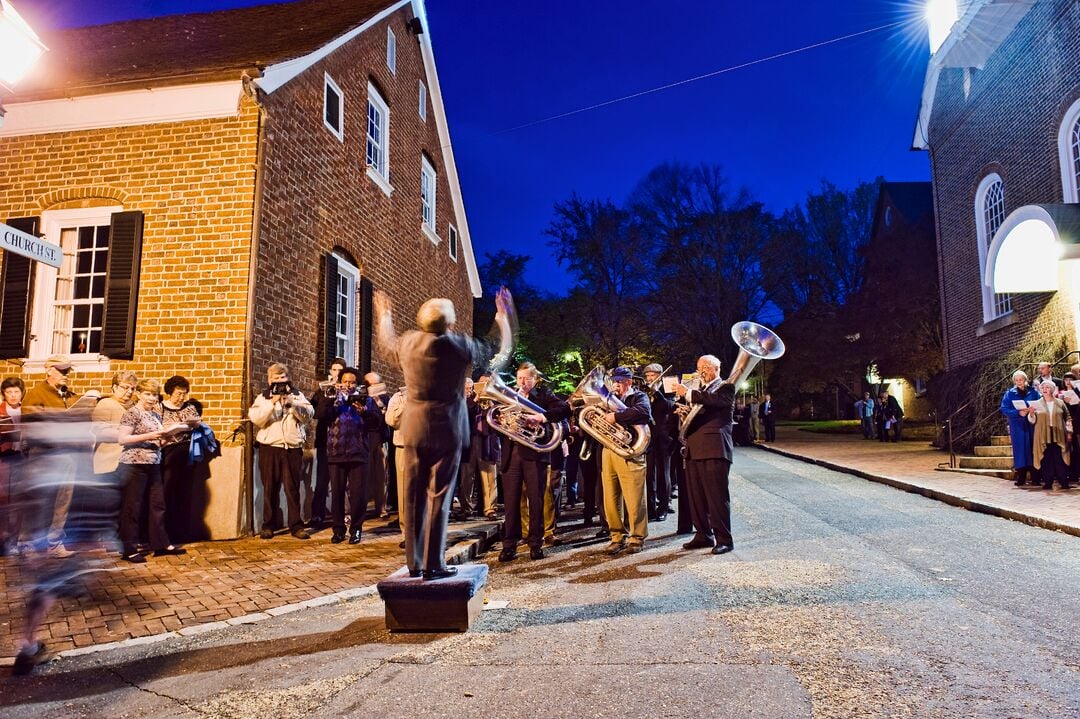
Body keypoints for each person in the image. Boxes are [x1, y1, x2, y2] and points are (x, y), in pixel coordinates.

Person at [374, 287, 513, 580]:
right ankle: (434, 563)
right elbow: (495, 347)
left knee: (412, 498)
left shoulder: (409, 343)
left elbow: (386, 344)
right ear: (449, 324)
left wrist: (384, 314)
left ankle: (414, 563)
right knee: (439, 497)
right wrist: (502, 314)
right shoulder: (460, 345)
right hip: (448, 429)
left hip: (414, 428)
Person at [496, 361, 570, 562]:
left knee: (536, 500)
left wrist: (541, 417)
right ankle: (509, 545)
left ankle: (535, 544)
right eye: (519, 378)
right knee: (510, 503)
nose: (521, 382)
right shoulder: (510, 395)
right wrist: (504, 422)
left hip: (535, 455)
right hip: (511, 455)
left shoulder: (543, 395)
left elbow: (565, 409)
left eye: (526, 379)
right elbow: (493, 424)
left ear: (534, 379)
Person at [118, 378, 186, 562]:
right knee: (132, 506)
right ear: (139, 394)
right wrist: (150, 435)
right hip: (134, 464)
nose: (151, 398)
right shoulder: (132, 413)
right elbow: (122, 439)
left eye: (154, 394)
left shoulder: (155, 416)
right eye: (147, 394)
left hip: (153, 462)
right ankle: (129, 548)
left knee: (157, 504)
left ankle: (160, 543)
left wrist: (168, 438)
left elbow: (158, 442)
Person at [674, 355, 736, 555]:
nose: (701, 371)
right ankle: (703, 534)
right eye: (699, 367)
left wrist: (688, 393)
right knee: (697, 497)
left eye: (705, 367)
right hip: (695, 449)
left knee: (716, 498)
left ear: (716, 368)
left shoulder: (726, 387)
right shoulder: (702, 392)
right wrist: (686, 413)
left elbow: (716, 402)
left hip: (714, 449)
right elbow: (703, 412)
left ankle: (724, 539)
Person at [248, 363, 314, 540]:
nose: (279, 381)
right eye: (276, 378)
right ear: (270, 380)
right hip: (270, 448)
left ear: (288, 379)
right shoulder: (263, 398)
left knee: (292, 488)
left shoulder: (297, 395)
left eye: (282, 378)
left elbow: (309, 416)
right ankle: (268, 525)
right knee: (269, 488)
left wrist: (293, 405)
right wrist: (272, 403)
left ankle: (296, 526)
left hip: (292, 448)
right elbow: (256, 419)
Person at [22, 355, 81, 553]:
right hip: (44, 455)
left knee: (62, 501)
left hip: (67, 455)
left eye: (67, 370)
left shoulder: (71, 396)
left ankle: (54, 543)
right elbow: (31, 426)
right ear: (49, 370)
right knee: (39, 499)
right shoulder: (36, 394)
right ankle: (27, 543)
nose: (66, 374)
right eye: (62, 370)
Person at [596, 366, 653, 555]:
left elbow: (644, 413)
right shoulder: (607, 399)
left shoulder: (639, 397)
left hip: (631, 451)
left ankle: (637, 537)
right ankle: (616, 536)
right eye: (615, 381)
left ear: (629, 382)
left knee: (634, 497)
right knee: (610, 497)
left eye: (620, 381)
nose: (616, 385)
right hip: (609, 450)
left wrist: (616, 416)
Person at [316, 367, 373, 544]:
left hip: (358, 453)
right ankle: (338, 529)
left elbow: (377, 423)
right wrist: (329, 399)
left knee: (358, 495)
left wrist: (364, 411)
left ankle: (356, 529)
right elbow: (320, 415)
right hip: (336, 451)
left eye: (352, 382)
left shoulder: (366, 400)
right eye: (345, 382)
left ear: (357, 384)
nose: (348, 385)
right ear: (340, 382)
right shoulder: (333, 398)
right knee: (337, 494)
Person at [160, 375, 201, 542]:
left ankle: (181, 531)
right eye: (178, 393)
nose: (181, 397)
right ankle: (166, 532)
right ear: (170, 392)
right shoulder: (160, 407)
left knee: (183, 492)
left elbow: (197, 423)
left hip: (185, 452)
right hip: (167, 452)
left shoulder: (189, 408)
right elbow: (156, 426)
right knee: (167, 491)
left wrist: (192, 424)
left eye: (184, 394)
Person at [309, 358, 346, 527]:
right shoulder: (321, 391)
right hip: (325, 441)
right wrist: (326, 393)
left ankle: (344, 513)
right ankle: (318, 514)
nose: (336, 372)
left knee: (342, 481)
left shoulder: (347, 391)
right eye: (334, 369)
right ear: (330, 372)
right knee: (322, 479)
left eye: (340, 370)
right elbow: (317, 414)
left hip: (343, 442)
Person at [642, 363, 674, 522]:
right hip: (648, 436)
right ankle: (650, 507)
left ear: (660, 375)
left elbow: (671, 406)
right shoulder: (643, 391)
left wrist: (658, 394)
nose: (649, 379)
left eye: (652, 375)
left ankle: (663, 507)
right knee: (649, 475)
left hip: (664, 437)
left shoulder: (668, 388)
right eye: (647, 376)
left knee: (663, 474)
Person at [1027, 379, 1072, 490]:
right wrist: (1031, 414)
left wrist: (1069, 431)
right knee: (1046, 459)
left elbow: (1068, 417)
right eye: (1042, 388)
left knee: (1060, 459)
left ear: (1052, 389)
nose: (1044, 389)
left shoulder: (1060, 403)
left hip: (1059, 433)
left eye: (1047, 387)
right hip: (1043, 434)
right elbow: (1032, 421)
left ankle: (1064, 481)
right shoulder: (1037, 403)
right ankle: (1048, 482)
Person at [0, 377, 26, 554]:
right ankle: (2, 541)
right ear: (3, 394)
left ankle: (13, 541)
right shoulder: (0, 412)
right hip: (3, 459)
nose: (13, 395)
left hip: (22, 458)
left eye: (16, 391)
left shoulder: (28, 411)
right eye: (9, 392)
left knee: (18, 501)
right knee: (3, 500)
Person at [1000, 370, 1039, 486]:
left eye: (1021, 380)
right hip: (1017, 426)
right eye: (1016, 380)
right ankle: (1021, 477)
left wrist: (1033, 410)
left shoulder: (1033, 392)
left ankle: (1035, 477)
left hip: (1032, 423)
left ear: (1025, 380)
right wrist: (1018, 412)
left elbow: (1040, 404)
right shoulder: (1009, 393)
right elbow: (1004, 409)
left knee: (1033, 449)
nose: (1019, 382)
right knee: (1020, 451)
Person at [363, 372, 392, 519]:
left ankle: (381, 507)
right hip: (365, 436)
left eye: (375, 384)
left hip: (380, 437)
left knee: (382, 474)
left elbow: (388, 417)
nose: (372, 387)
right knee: (364, 474)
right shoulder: (362, 397)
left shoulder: (386, 398)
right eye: (369, 384)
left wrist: (379, 402)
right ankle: (362, 506)